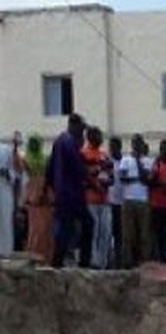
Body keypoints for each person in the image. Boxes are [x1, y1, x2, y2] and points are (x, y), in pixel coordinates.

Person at [46, 114, 94, 268]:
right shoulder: (69, 141)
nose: (83, 133)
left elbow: (50, 168)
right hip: (72, 194)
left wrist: (51, 187)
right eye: (81, 128)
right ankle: (80, 263)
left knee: (67, 227)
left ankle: (58, 263)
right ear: (73, 125)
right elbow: (77, 167)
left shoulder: (60, 141)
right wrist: (90, 179)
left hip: (63, 193)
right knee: (83, 225)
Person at [81, 126, 114, 268]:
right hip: (90, 200)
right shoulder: (83, 154)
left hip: (105, 200)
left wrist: (106, 182)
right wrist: (98, 171)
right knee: (93, 232)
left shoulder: (105, 155)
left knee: (105, 233)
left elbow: (112, 177)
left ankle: (102, 263)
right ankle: (93, 262)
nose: (101, 139)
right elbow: (83, 176)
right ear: (90, 137)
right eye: (98, 135)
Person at [118, 134, 152, 268]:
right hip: (128, 200)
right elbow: (122, 178)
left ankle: (144, 261)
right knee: (128, 234)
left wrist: (138, 162)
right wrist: (137, 179)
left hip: (143, 201)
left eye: (139, 143)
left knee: (144, 234)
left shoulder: (147, 161)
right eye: (134, 143)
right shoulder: (125, 160)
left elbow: (146, 179)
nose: (137, 145)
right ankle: (128, 262)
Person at [21, 134, 53, 263]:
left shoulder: (44, 159)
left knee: (46, 230)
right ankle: (34, 257)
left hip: (45, 196)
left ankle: (46, 258)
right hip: (33, 197)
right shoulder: (24, 160)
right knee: (35, 231)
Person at [149, 139, 166, 263]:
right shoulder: (156, 164)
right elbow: (151, 181)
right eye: (162, 148)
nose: (164, 151)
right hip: (156, 204)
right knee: (158, 233)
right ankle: (160, 257)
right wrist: (162, 183)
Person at [107, 137, 125, 268]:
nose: (111, 149)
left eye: (114, 147)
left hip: (122, 202)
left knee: (120, 234)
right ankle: (110, 260)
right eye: (110, 147)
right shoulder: (107, 162)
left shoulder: (125, 162)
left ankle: (120, 259)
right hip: (110, 202)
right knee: (109, 232)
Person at [0, 138, 19, 256]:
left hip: (4, 190)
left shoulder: (5, 149)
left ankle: (5, 253)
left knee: (5, 221)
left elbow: (13, 174)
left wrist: (6, 173)